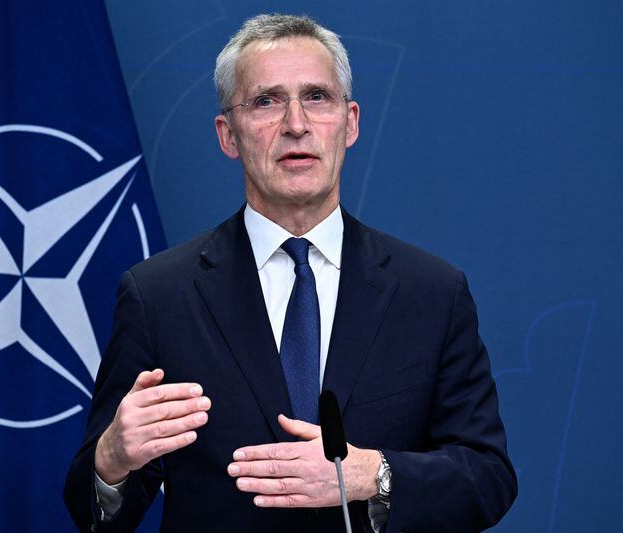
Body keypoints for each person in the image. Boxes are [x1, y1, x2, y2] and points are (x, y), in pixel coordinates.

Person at [64, 14, 516, 532]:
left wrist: (375, 474)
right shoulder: (158, 295)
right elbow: (94, 515)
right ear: (228, 135)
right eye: (267, 101)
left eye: (317, 97)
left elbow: (488, 477)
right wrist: (111, 461)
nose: (296, 124)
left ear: (350, 123)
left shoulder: (432, 293)